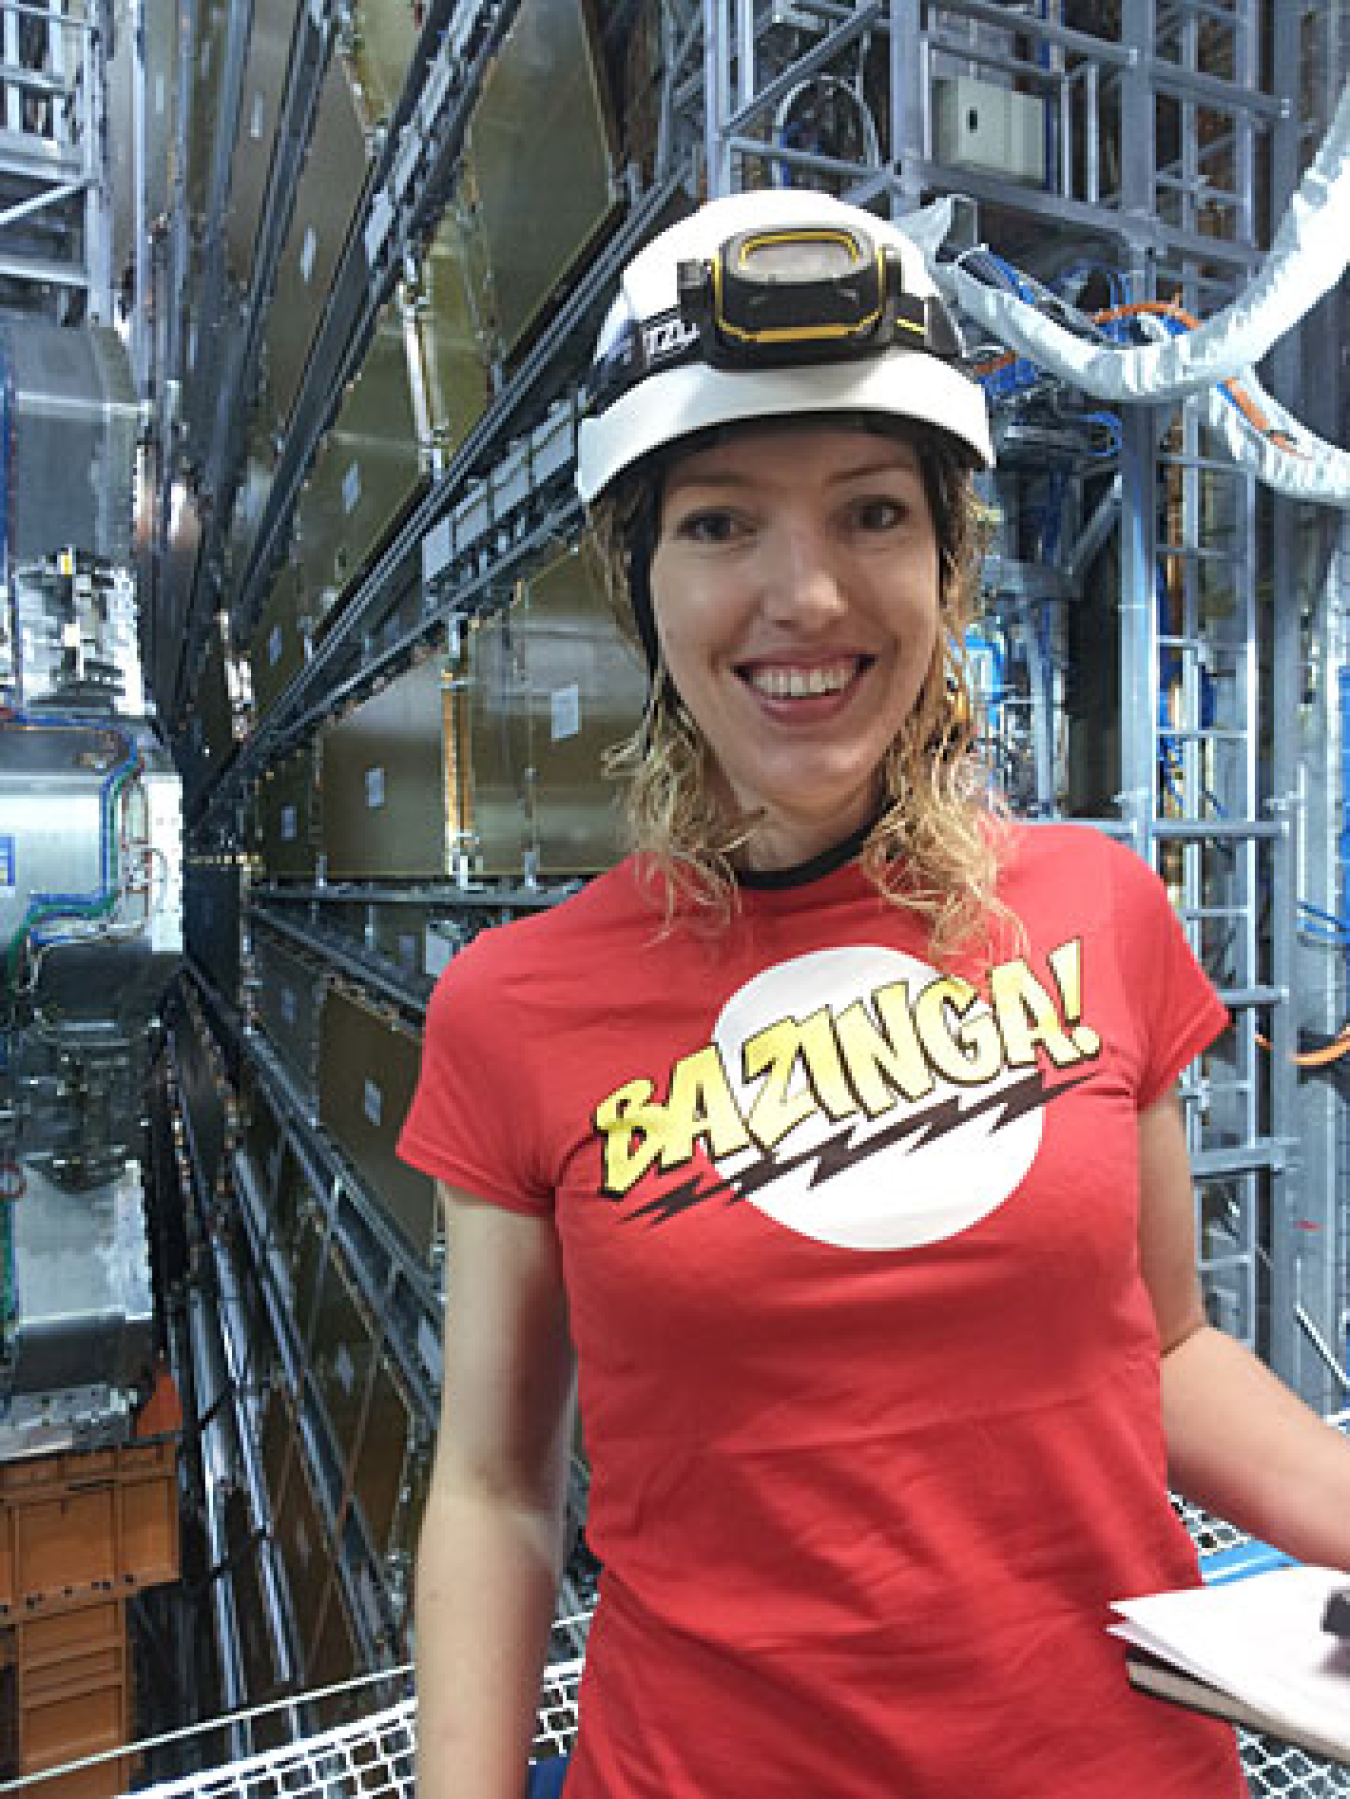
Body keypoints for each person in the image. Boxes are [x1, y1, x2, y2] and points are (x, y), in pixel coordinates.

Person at [397, 189, 1350, 1799]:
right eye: (717, 525)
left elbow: (1169, 1349)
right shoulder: (514, 1010)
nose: (807, 598)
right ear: (636, 578)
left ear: (946, 555)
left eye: (868, 514)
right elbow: (493, 1489)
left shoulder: (1101, 911)